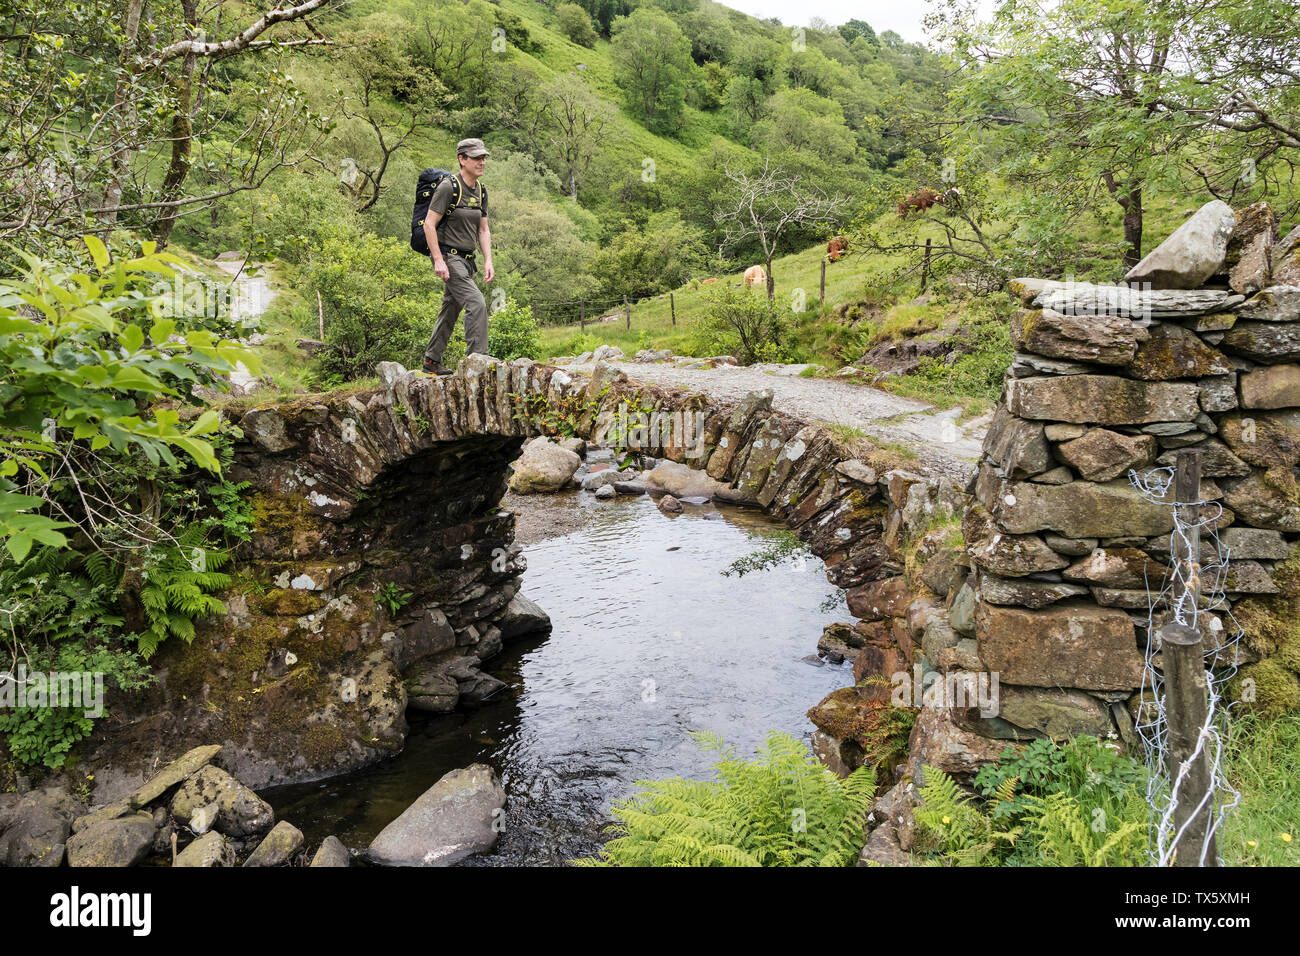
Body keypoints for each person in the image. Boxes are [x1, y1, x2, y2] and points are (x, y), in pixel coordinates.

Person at [421, 138, 495, 375]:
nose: (481, 162)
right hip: (449, 257)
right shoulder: (448, 187)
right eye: (476, 158)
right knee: (477, 304)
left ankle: (432, 360)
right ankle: (478, 361)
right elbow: (429, 225)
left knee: (450, 309)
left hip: (467, 260)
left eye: (483, 158)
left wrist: (488, 261)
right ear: (462, 159)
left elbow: (483, 230)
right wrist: (438, 260)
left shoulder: (481, 191)